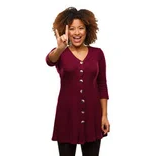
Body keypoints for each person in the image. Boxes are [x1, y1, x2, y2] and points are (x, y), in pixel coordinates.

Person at [45, 7, 110, 156]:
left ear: (87, 30)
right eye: (72, 29)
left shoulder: (98, 54)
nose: (76, 33)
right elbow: (49, 60)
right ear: (65, 31)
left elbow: (102, 85)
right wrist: (60, 48)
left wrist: (104, 115)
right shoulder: (60, 53)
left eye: (81, 28)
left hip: (92, 116)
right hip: (66, 116)